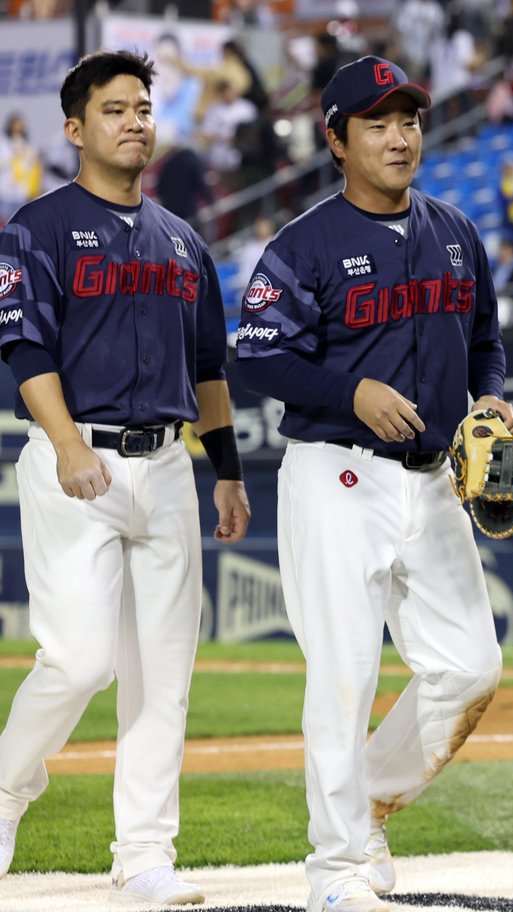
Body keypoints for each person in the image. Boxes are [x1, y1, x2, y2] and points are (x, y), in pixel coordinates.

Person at [234, 56, 513, 912]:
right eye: (378, 123)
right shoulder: (303, 245)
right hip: (337, 475)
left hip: (433, 484)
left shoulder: (456, 230)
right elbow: (258, 350)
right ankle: (339, 870)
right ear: (337, 140)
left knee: (470, 669)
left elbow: (485, 337)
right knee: (345, 675)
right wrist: (347, 388)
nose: (400, 137)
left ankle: (371, 799)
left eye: (410, 120)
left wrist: (494, 394)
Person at [0, 49, 250, 903]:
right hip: (81, 458)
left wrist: (227, 471)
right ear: (74, 128)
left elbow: (210, 366)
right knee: (77, 661)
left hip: (170, 467)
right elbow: (25, 347)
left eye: (143, 107)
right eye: (114, 109)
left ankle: (144, 854)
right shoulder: (35, 227)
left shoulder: (182, 240)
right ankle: (6, 788)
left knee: (164, 674)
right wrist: (68, 443)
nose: (135, 120)